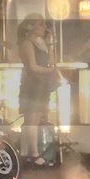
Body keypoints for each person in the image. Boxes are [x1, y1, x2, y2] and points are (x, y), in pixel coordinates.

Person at [17, 16, 56, 166]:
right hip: (32, 84)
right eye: (40, 24)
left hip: (41, 84)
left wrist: (51, 43)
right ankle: (33, 154)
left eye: (43, 24)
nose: (43, 26)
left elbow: (50, 60)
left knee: (35, 118)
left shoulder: (41, 43)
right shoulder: (27, 43)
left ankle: (26, 152)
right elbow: (33, 66)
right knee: (31, 119)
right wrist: (49, 70)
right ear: (30, 26)